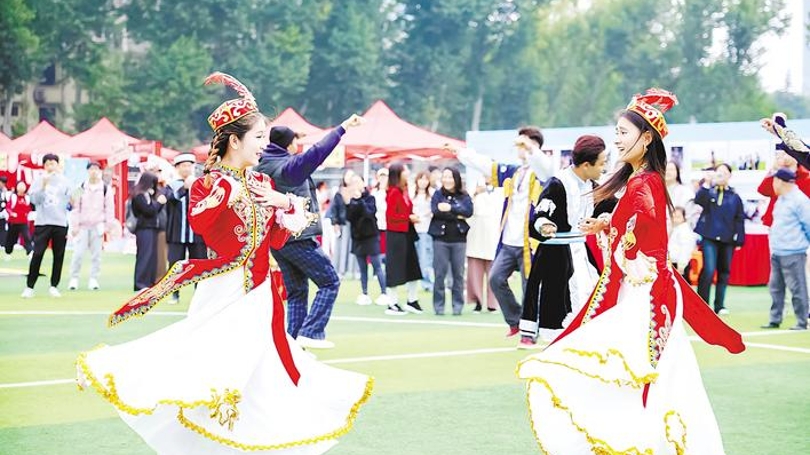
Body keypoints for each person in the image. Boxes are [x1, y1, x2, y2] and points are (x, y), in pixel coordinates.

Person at [76, 72, 372, 455]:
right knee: (207, 360)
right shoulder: (211, 183)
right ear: (235, 140)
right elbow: (204, 224)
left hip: (261, 290)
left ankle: (248, 441)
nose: (264, 146)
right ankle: (143, 389)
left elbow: (278, 236)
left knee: (262, 370)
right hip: (226, 287)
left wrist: (283, 203)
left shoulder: (260, 183)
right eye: (258, 138)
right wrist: (230, 193)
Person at [517, 88, 745, 455]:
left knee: (639, 370)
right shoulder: (643, 178)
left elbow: (647, 225)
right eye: (617, 133)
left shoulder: (642, 182)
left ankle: (646, 442)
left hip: (647, 295)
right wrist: (609, 224)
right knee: (658, 374)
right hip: (649, 291)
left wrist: (627, 240)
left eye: (623, 132)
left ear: (647, 138)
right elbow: (641, 222)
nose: (618, 140)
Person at [255, 114, 363, 349]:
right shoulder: (288, 168)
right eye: (295, 141)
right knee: (330, 281)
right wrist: (343, 127)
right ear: (289, 145)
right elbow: (317, 152)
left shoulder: (263, 164)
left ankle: (292, 348)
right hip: (298, 237)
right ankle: (311, 332)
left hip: (278, 240)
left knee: (297, 292)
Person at [453, 127, 556, 336]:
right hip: (509, 240)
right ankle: (516, 320)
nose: (518, 148)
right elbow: (486, 165)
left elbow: (547, 169)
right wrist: (460, 152)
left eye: (522, 144)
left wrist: (532, 149)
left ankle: (529, 332)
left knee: (529, 287)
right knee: (495, 278)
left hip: (530, 241)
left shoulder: (542, 174)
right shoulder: (513, 172)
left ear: (533, 144)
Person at [518, 135, 607, 348]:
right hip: (556, 254)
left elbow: (611, 207)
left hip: (581, 251)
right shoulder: (558, 184)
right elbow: (540, 213)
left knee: (592, 293)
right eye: (602, 163)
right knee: (556, 303)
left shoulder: (594, 186)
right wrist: (545, 225)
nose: (603, 168)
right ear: (586, 165)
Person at [760, 168, 810, 330]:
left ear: (780, 182)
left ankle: (802, 321)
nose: (773, 184)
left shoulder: (800, 201)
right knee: (775, 288)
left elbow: (808, 225)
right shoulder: (780, 200)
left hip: (794, 251)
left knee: (797, 288)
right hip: (778, 251)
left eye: (774, 181)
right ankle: (775, 319)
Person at [694, 163, 745, 315]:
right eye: (719, 172)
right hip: (709, 236)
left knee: (724, 271)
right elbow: (699, 200)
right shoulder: (708, 192)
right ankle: (702, 304)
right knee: (709, 269)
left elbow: (739, 218)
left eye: (724, 172)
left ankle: (719, 305)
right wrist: (707, 183)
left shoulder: (735, 197)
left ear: (730, 176)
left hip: (727, 239)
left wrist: (740, 239)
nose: (721, 175)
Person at [23, 153, 71, 298]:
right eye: (48, 163)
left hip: (60, 223)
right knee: (37, 254)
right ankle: (30, 286)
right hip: (43, 222)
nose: (50, 166)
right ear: (44, 166)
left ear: (57, 165)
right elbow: (34, 200)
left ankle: (54, 285)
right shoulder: (38, 180)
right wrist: (43, 186)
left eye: (53, 163)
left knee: (58, 255)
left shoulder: (65, 181)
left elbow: (73, 198)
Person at [428, 166, 473, 316]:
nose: (447, 180)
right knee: (439, 274)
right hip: (440, 240)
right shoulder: (437, 194)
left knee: (458, 275)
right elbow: (436, 211)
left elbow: (468, 212)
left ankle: (457, 306)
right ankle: (439, 306)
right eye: (445, 177)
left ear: (456, 179)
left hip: (459, 240)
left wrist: (450, 208)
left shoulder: (463, 195)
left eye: (450, 177)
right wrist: (457, 213)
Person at [165, 153, 208, 304]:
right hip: (177, 232)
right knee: (175, 264)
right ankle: (174, 294)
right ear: (177, 168)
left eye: (189, 165)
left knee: (199, 263)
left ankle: (200, 293)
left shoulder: (201, 183)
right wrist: (184, 188)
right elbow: (171, 200)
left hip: (197, 233)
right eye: (183, 166)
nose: (187, 169)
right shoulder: (171, 185)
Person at [67, 161, 115, 291]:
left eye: (96, 169)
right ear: (87, 171)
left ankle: (94, 278)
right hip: (82, 226)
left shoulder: (105, 188)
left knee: (96, 255)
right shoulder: (80, 187)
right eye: (91, 169)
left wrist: (108, 226)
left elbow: (109, 208)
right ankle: (74, 278)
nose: (94, 171)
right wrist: (74, 226)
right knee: (78, 254)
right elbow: (75, 208)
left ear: (100, 171)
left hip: (98, 225)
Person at [384, 162, 423, 315]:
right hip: (396, 235)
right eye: (404, 170)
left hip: (407, 233)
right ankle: (392, 303)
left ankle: (412, 300)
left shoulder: (404, 190)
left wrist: (410, 217)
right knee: (395, 269)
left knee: (412, 267)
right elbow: (391, 216)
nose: (407, 173)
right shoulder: (393, 192)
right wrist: (408, 218)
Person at [346, 175, 389, 306]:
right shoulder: (350, 200)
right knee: (362, 268)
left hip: (370, 236)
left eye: (358, 181)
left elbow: (369, 213)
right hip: (357, 238)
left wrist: (359, 200)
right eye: (353, 182)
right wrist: (352, 201)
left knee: (377, 265)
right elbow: (349, 217)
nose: (356, 184)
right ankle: (364, 293)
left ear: (363, 183)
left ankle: (384, 293)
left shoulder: (370, 198)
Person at [465, 178, 503, 313]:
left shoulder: (502, 191)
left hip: (494, 236)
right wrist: (474, 193)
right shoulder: (473, 190)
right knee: (475, 272)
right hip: (476, 235)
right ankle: (477, 302)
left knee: (494, 272)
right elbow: (465, 209)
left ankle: (493, 303)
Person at [130, 171, 167, 291]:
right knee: (144, 256)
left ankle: (148, 282)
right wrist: (159, 203)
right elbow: (149, 211)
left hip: (151, 228)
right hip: (144, 228)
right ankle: (140, 283)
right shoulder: (139, 195)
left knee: (151, 257)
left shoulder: (146, 195)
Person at [757, 150, 810, 227]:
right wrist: (774, 169)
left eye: (787, 154)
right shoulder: (778, 173)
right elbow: (763, 190)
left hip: (796, 223)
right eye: (782, 154)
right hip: (775, 220)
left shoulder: (805, 176)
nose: (784, 157)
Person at [412, 170, 435, 291]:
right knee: (414, 257)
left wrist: (424, 215)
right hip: (413, 230)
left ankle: (427, 283)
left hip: (426, 229)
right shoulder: (412, 193)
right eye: (421, 179)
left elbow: (434, 210)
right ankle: (413, 283)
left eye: (426, 179)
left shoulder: (432, 193)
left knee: (425, 257)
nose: (423, 182)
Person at [4, 181, 33, 259]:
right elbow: (8, 207)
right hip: (13, 222)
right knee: (11, 238)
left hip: (23, 222)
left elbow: (29, 208)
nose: (21, 187)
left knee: (27, 237)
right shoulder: (13, 197)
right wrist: (11, 213)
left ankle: (30, 252)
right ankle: (8, 253)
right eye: (20, 186)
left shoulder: (27, 198)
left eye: (23, 186)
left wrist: (27, 214)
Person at [664, 160, 697, 229]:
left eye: (671, 169)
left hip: (678, 230)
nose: (668, 172)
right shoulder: (656, 190)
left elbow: (691, 215)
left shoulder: (686, 191)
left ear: (677, 172)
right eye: (665, 169)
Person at [668, 206, 697, 280]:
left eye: (678, 217)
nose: (675, 219)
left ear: (684, 218)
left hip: (680, 264)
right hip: (672, 262)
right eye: (673, 216)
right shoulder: (675, 228)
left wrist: (682, 264)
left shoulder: (684, 230)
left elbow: (686, 248)